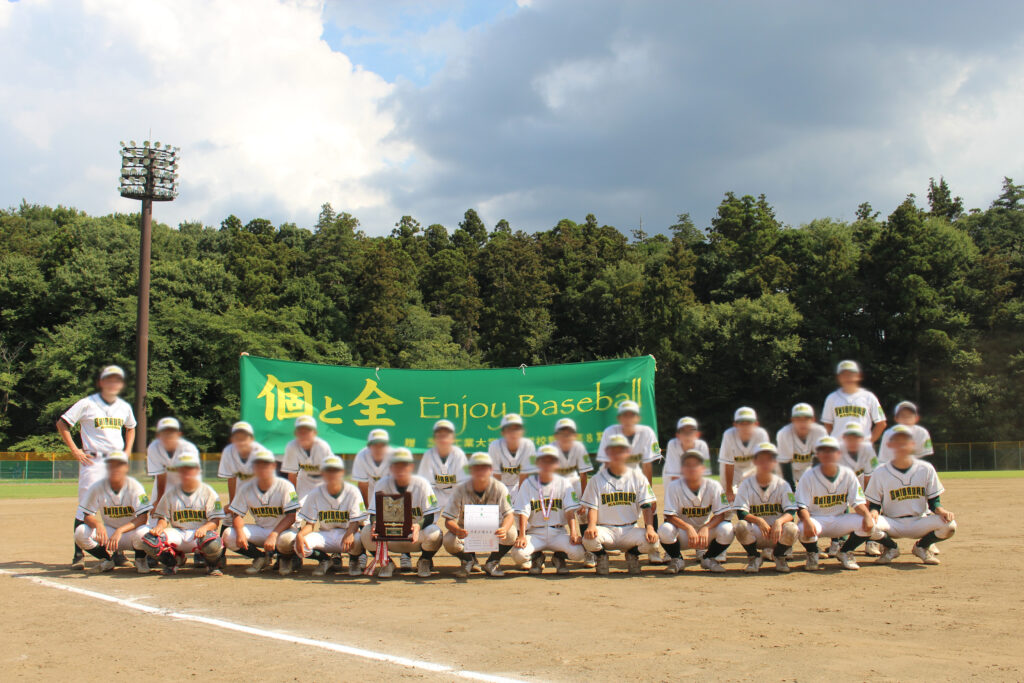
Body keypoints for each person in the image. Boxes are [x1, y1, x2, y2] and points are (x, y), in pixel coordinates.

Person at [56, 364, 136, 570]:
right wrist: (75, 450)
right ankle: (78, 554)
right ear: (101, 382)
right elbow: (62, 424)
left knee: (118, 505)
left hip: (116, 462)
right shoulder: (87, 403)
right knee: (85, 506)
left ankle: (118, 552)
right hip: (93, 461)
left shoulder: (124, 406)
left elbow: (131, 428)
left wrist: (127, 451)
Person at [856, 425, 956, 565]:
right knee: (864, 524)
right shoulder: (880, 471)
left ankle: (921, 547)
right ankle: (891, 548)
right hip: (892, 522)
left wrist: (941, 510)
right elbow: (875, 504)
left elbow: (934, 502)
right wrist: (873, 513)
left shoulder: (926, 469)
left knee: (950, 526)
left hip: (919, 521)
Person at [594, 401, 665, 563]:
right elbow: (605, 461)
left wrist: (650, 491)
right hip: (611, 475)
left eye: (631, 414)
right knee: (602, 506)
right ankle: (602, 544)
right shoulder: (610, 432)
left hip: (636, 478)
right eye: (625, 415)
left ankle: (653, 550)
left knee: (650, 507)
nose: (628, 418)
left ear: (637, 417)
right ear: (620, 417)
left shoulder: (646, 433)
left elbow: (647, 465)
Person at [794, 437, 878, 571]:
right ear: (818, 455)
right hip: (817, 520)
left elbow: (857, 502)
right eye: (823, 451)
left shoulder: (848, 474)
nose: (827, 454)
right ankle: (812, 553)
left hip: (839, 519)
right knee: (803, 528)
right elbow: (801, 506)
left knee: (870, 524)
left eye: (831, 451)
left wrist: (867, 515)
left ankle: (845, 552)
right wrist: (807, 520)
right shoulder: (808, 476)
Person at [137, 451, 226, 575]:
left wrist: (205, 528)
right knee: (149, 541)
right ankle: (172, 563)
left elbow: (215, 521)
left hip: (200, 535)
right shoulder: (170, 493)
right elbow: (163, 519)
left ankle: (211, 565)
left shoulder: (207, 492)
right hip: (178, 534)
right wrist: (159, 527)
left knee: (212, 542)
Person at [581, 434, 658, 575]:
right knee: (588, 540)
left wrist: (650, 528)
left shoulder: (638, 478)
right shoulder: (597, 480)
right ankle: (602, 557)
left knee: (653, 542)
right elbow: (593, 507)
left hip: (630, 529)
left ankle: (632, 555)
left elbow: (647, 507)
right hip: (606, 529)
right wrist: (591, 525)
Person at [360, 448, 442, 578]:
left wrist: (418, 525)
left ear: (411, 466)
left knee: (435, 533)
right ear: (391, 467)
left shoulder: (422, 484)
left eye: (404, 465)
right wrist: (375, 523)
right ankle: (387, 563)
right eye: (396, 465)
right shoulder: (382, 484)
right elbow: (373, 513)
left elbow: (430, 515)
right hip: (390, 535)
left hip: (415, 536)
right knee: (366, 532)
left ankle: (424, 561)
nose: (400, 469)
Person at [278, 455, 365, 577]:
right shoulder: (315, 493)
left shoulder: (352, 491)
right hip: (326, 535)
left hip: (345, 533)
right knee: (300, 545)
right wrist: (300, 535)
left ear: (342, 472)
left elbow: (355, 521)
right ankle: (324, 560)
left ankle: (354, 561)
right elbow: (310, 524)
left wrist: (350, 533)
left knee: (358, 539)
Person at [222, 450, 300, 574]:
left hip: (283, 530)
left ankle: (285, 559)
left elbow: (291, 516)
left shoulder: (285, 486)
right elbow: (237, 515)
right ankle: (260, 557)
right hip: (262, 529)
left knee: (287, 540)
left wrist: (274, 535)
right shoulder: (246, 487)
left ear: (273, 466)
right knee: (228, 535)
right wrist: (239, 532)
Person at [510, 444, 584, 574]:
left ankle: (559, 557)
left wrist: (573, 532)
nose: (547, 465)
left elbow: (570, 511)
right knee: (518, 555)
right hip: (535, 533)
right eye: (544, 461)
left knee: (578, 553)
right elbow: (523, 512)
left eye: (551, 461)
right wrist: (522, 535)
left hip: (558, 532)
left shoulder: (564, 483)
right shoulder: (529, 483)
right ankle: (537, 556)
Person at [74, 451, 152, 574]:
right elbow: (87, 516)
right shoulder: (97, 487)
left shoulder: (135, 486)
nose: (115, 468)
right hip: (109, 533)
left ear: (126, 467)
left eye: (119, 465)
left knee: (146, 532)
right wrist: (98, 525)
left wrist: (120, 531)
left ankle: (140, 558)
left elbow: (143, 518)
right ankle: (106, 559)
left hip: (131, 533)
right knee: (80, 532)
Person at [442, 452, 518, 578]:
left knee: (511, 533)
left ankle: (492, 562)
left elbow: (509, 515)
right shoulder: (460, 489)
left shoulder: (500, 488)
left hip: (493, 531)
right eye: (476, 467)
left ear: (491, 470)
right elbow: (448, 520)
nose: (480, 471)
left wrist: (504, 529)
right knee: (449, 540)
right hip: (466, 532)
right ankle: (468, 560)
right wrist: (457, 530)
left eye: (484, 467)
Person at [658, 449, 733, 574]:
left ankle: (709, 558)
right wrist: (687, 528)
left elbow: (720, 515)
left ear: (703, 468)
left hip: (705, 535)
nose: (692, 468)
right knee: (665, 529)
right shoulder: (673, 486)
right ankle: (677, 559)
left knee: (728, 529)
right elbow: (670, 516)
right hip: (683, 533)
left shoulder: (714, 485)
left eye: (696, 465)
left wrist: (706, 528)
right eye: (687, 465)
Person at [732, 443, 799, 574]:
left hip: (777, 532)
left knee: (792, 528)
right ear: (755, 461)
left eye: (770, 459)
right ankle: (754, 557)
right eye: (761, 459)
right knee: (740, 526)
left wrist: (779, 522)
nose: (765, 463)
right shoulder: (746, 484)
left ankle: (779, 556)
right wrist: (759, 521)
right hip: (757, 531)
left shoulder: (783, 484)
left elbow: (791, 511)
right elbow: (741, 512)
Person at [545, 417, 594, 565]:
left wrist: (585, 500)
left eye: (569, 432)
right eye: (562, 432)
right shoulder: (551, 448)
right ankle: (558, 552)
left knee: (584, 513)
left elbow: (583, 474)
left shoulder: (579, 447)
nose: (566, 435)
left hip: (574, 483)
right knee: (557, 515)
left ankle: (589, 551)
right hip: (556, 485)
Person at [822, 360, 886, 442]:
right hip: (839, 449)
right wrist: (836, 440)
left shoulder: (869, 397)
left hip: (862, 447)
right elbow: (827, 423)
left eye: (851, 374)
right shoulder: (831, 398)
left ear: (858, 375)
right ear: (838, 377)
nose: (848, 377)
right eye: (844, 374)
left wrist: (869, 442)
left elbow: (881, 423)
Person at [146, 416, 201, 506]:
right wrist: (160, 501)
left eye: (172, 432)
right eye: (165, 433)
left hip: (188, 486)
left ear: (179, 434)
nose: (168, 436)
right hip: (163, 488)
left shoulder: (188, 448)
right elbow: (160, 476)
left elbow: (192, 475)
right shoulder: (153, 448)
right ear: (158, 436)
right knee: (156, 517)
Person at [719, 407, 770, 501]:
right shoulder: (728, 435)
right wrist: (729, 490)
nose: (745, 427)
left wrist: (764, 486)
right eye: (741, 423)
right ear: (735, 425)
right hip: (732, 470)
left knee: (755, 498)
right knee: (729, 503)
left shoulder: (761, 434)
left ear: (756, 424)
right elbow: (729, 463)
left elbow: (764, 462)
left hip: (752, 468)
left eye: (749, 423)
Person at [417, 419, 469, 512]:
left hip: (455, 492)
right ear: (434, 438)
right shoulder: (429, 455)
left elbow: (463, 482)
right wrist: (431, 505)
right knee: (428, 513)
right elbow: (426, 484)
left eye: (446, 434)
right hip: (437, 493)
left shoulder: (459, 454)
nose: (443, 438)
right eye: (440, 434)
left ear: (453, 438)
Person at [218, 421, 272, 506]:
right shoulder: (228, 451)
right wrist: (232, 504)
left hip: (262, 493)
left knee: (265, 517)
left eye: (244, 437)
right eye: (237, 437)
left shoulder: (261, 452)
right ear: (232, 439)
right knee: (229, 518)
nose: (241, 440)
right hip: (240, 493)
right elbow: (231, 479)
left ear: (251, 438)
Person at [280, 415, 333, 500]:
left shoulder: (323, 447)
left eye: (308, 431)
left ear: (315, 433)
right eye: (301, 431)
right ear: (295, 433)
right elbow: (292, 475)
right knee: (300, 510)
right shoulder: (292, 447)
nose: (304, 434)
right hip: (304, 484)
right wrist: (293, 499)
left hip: (322, 483)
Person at [776, 403, 828, 488]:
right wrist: (792, 489)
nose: (802, 423)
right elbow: (785, 464)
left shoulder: (820, 432)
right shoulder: (784, 433)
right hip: (786, 470)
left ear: (813, 420)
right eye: (798, 419)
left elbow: (821, 459)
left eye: (806, 419)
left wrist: (815, 481)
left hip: (807, 468)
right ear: (792, 420)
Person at [488, 413, 536, 491]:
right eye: (509, 429)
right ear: (502, 432)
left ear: (522, 431)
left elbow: (524, 475)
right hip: (500, 485)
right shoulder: (494, 446)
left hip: (521, 486)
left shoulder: (528, 445)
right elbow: (496, 476)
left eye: (516, 429)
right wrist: (501, 496)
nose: (513, 432)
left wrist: (519, 497)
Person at [662, 417, 710, 483]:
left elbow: (704, 472)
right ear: (677, 435)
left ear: (697, 434)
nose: (687, 435)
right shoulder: (673, 445)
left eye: (691, 431)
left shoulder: (702, 446)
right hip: (671, 476)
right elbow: (674, 476)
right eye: (683, 431)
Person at [352, 428, 393, 503]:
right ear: (369, 446)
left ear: (387, 446)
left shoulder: (394, 457)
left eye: (382, 445)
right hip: (370, 496)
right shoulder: (361, 456)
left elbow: (398, 485)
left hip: (391, 497)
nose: (378, 448)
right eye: (375, 445)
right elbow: (362, 484)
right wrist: (366, 507)